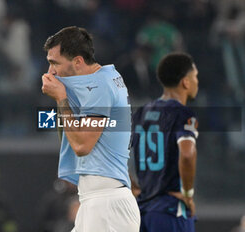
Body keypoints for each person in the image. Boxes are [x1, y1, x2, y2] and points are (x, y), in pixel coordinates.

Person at [41, 26, 140, 232]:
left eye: (54, 63)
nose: (50, 71)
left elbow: (82, 145)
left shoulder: (99, 87)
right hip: (98, 201)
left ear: (77, 61)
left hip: (106, 205)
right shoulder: (103, 80)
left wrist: (61, 98)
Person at [130, 52, 199, 232]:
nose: (197, 81)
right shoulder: (183, 114)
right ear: (186, 82)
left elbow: (113, 153)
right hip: (170, 209)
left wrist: (133, 187)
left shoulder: (141, 112)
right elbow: (187, 154)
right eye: (195, 76)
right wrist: (187, 194)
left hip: (142, 210)